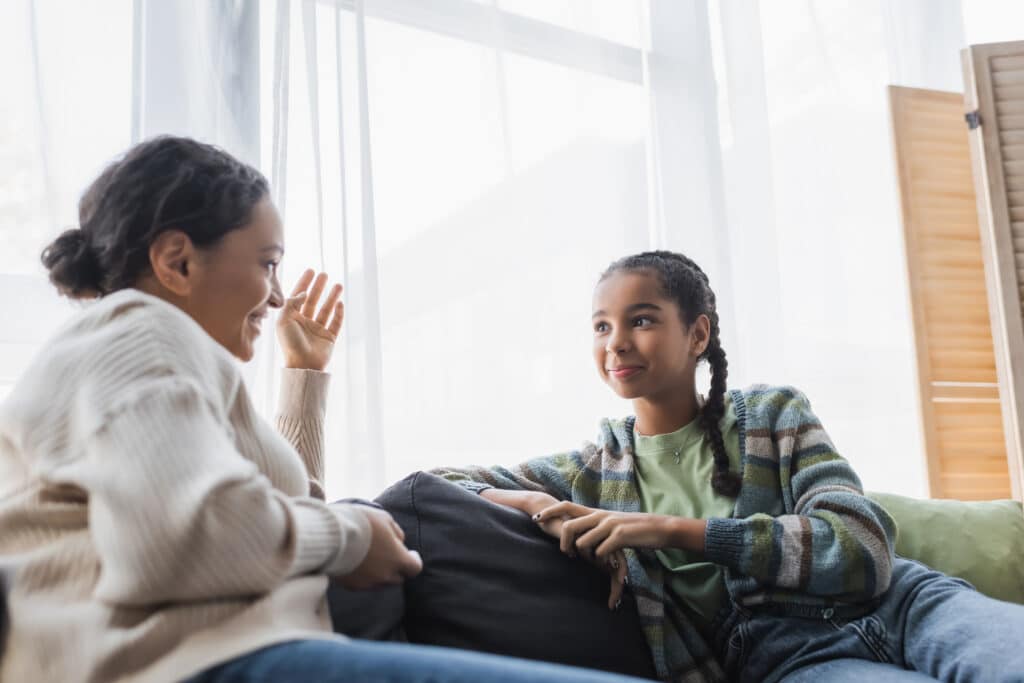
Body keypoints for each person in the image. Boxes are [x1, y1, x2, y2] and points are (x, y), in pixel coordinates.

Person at [0, 136, 650, 683]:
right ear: (176, 260)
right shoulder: (134, 334)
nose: (279, 294)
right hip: (173, 664)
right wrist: (351, 537)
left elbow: (279, 503)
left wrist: (304, 374)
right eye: (267, 263)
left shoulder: (149, 356)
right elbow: (185, 542)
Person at [433, 250, 1024, 683]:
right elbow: (439, 488)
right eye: (600, 326)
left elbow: (862, 547)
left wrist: (673, 531)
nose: (615, 343)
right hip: (794, 662)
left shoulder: (774, 414)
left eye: (640, 320)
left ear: (697, 334)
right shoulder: (590, 474)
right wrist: (541, 506)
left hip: (912, 606)